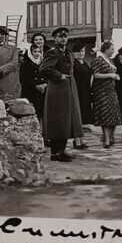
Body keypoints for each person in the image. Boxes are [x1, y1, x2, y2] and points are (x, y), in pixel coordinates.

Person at [38, 27, 82, 162]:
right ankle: (55, 153)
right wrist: (59, 75)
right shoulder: (52, 53)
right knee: (57, 119)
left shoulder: (67, 52)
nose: (63, 39)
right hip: (57, 89)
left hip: (68, 87)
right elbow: (44, 69)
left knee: (67, 120)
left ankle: (61, 151)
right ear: (55, 38)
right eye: (60, 36)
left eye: (65, 36)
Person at [89, 41, 122, 147]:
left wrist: (115, 76)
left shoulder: (111, 61)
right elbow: (96, 74)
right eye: (112, 49)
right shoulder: (98, 60)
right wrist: (111, 75)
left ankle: (111, 137)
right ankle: (106, 139)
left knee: (114, 114)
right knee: (105, 115)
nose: (113, 51)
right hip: (101, 91)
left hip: (111, 90)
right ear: (106, 49)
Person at [18, 32, 47, 128]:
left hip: (42, 91)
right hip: (30, 91)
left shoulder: (43, 62)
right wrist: (35, 85)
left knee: (42, 112)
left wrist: (45, 84)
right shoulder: (26, 63)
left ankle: (43, 134)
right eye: (35, 52)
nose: (37, 53)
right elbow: (23, 79)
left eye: (38, 52)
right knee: (31, 112)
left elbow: (47, 75)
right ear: (31, 52)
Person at [70, 41, 93, 150]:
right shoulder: (73, 64)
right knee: (77, 116)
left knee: (83, 117)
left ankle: (81, 140)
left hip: (85, 92)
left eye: (82, 51)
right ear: (74, 53)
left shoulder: (85, 63)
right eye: (78, 51)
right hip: (77, 91)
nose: (81, 53)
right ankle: (77, 140)